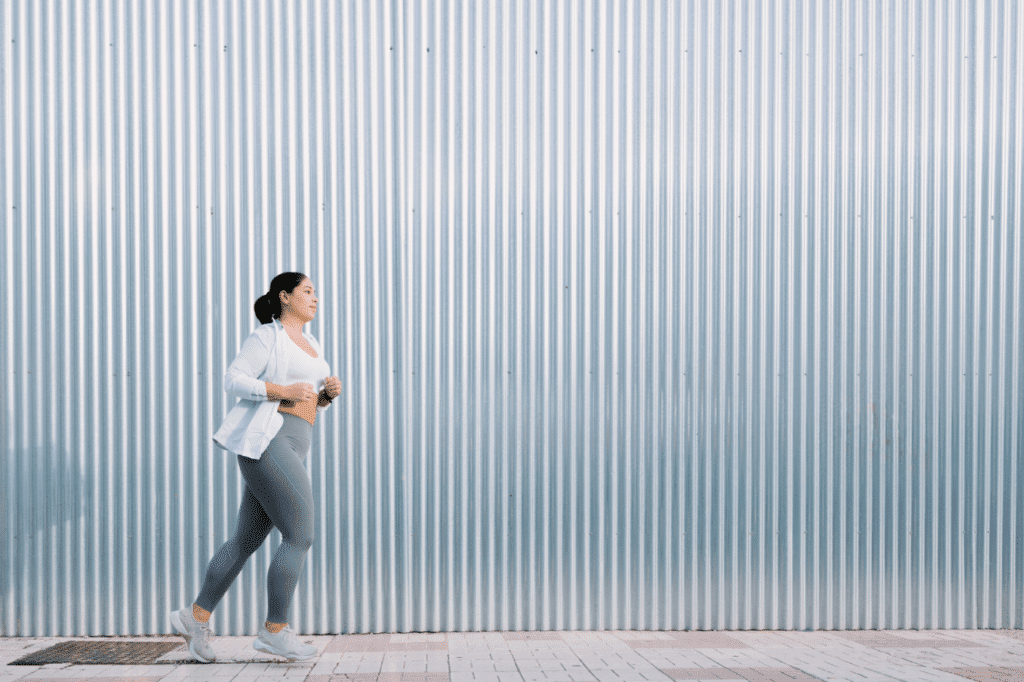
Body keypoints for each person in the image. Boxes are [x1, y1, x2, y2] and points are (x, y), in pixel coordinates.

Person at [170, 272, 341, 663]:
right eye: (307, 291)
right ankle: (274, 630)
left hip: (294, 443)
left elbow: (305, 401)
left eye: (316, 292)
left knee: (244, 541)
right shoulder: (268, 336)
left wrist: (324, 398)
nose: (316, 297)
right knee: (301, 534)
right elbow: (234, 379)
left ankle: (194, 617)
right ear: (285, 297)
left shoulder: (312, 344)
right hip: (268, 443)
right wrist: (283, 390)